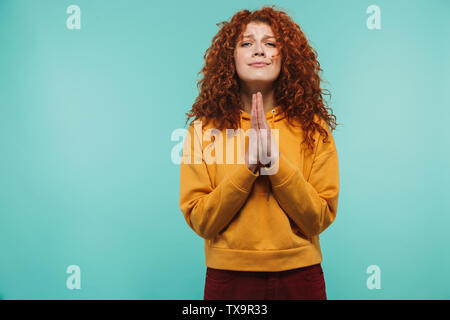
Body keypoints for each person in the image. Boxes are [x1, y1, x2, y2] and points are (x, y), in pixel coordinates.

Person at [179, 6, 340, 300]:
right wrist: (249, 167)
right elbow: (201, 220)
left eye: (270, 43)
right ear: (230, 57)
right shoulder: (201, 131)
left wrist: (274, 163)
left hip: (300, 278)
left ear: (286, 56)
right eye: (246, 43)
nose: (259, 51)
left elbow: (319, 217)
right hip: (227, 280)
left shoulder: (314, 129)